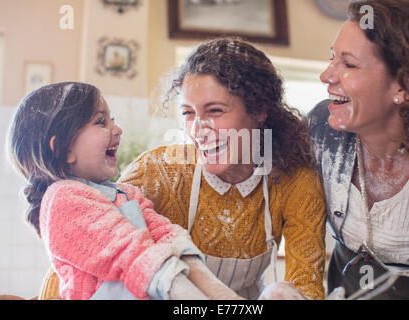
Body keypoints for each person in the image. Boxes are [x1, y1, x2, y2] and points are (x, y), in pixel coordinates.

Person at [118, 38, 327, 300]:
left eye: (215, 110)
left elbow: (306, 284)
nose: (198, 130)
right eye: (188, 113)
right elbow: (91, 250)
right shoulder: (156, 173)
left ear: (260, 110)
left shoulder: (295, 181)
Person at [7, 81, 244, 300]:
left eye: (112, 120)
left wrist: (227, 299)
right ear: (62, 148)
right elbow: (135, 257)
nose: (117, 129)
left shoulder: (126, 194)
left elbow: (169, 237)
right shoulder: (63, 199)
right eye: (101, 122)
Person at [308, 0, 409, 299]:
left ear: (405, 86)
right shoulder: (319, 127)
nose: (326, 76)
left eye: (349, 64)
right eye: (332, 58)